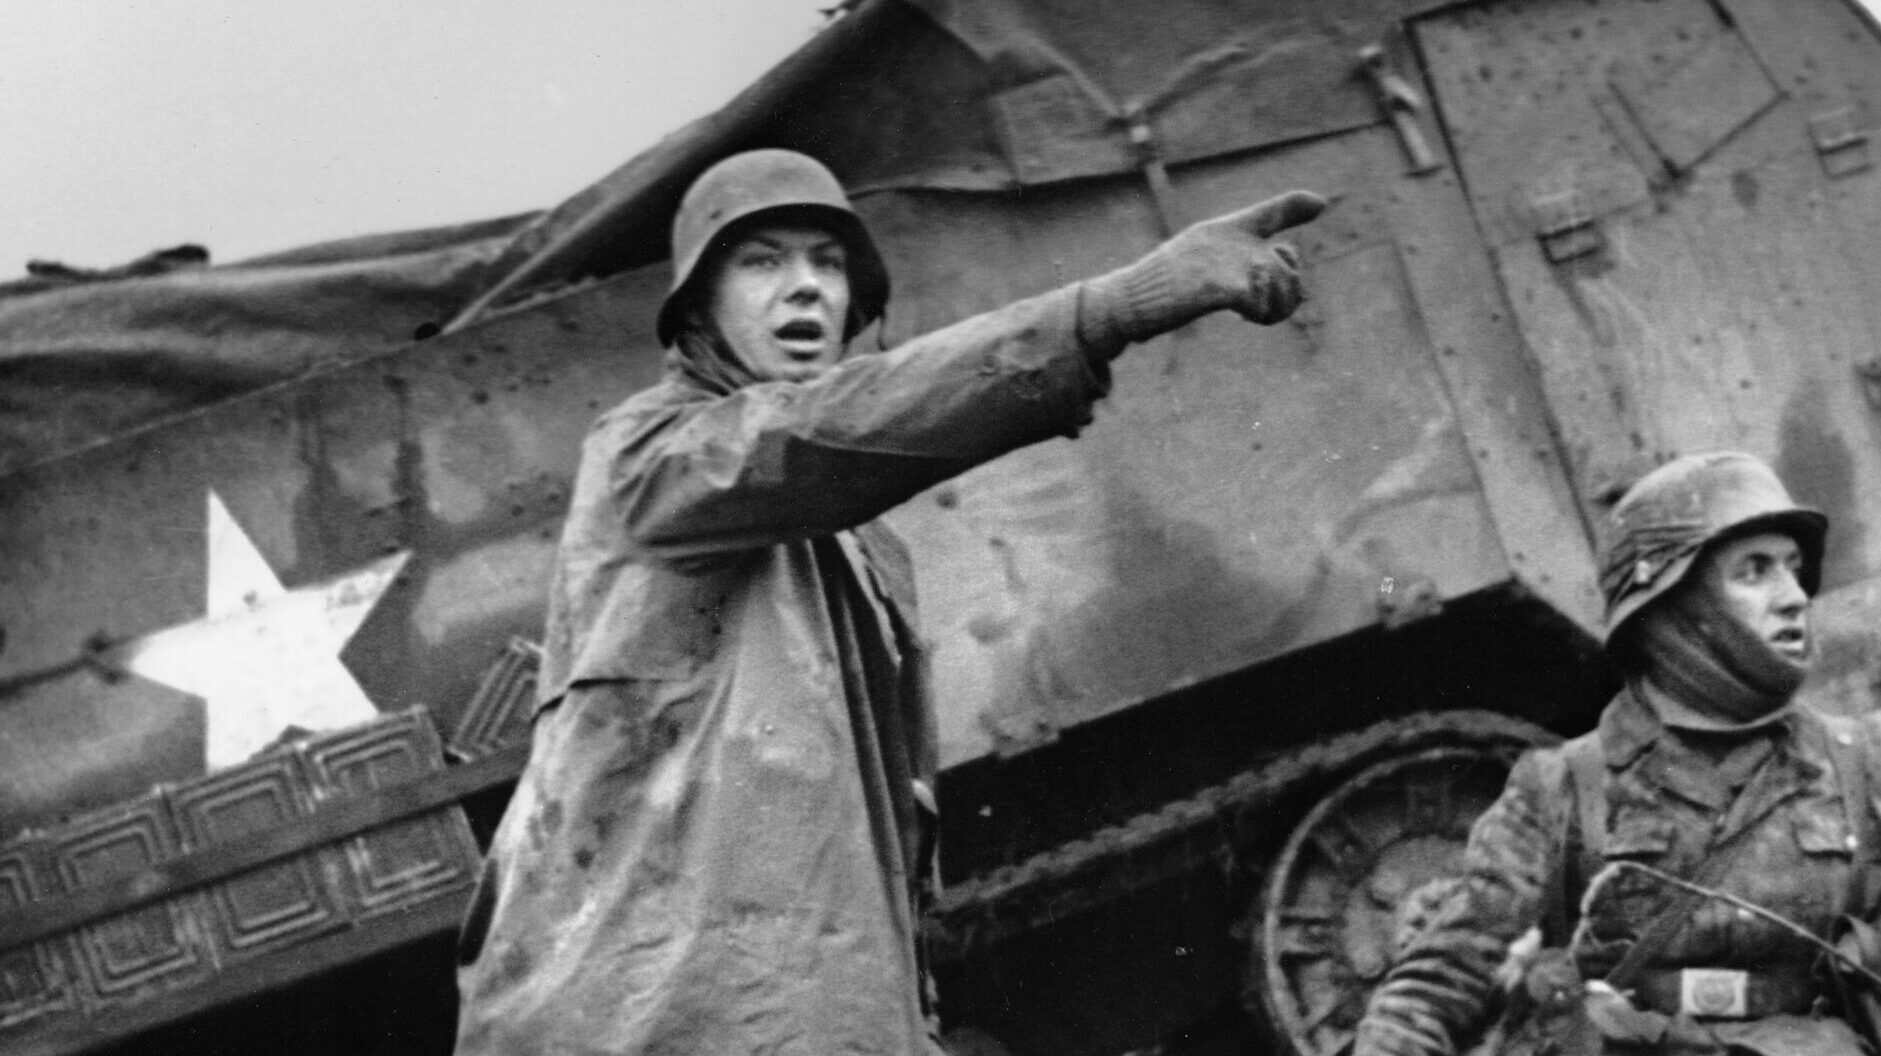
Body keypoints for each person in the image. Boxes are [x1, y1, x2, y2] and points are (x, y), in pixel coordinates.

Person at [452, 149, 1326, 1055]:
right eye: (761, 261)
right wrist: (1117, 306)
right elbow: (820, 431)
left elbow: (879, 841)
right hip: (643, 1018)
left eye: (827, 264)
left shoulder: (861, 548)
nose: (805, 289)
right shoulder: (650, 455)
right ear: (698, 304)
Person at [1353, 451, 1881, 1056]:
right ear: (1675, 604)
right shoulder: (1565, 787)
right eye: (1754, 571)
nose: (1793, 597)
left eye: (1793, 568)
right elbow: (1441, 984)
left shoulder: (1859, 762)